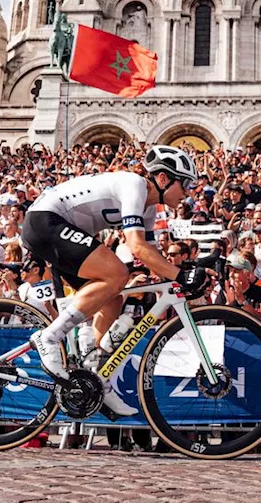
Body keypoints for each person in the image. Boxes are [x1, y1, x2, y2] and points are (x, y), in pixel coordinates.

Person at [22, 146, 206, 417]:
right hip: (46, 221)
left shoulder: (149, 208)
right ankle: (49, 337)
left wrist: (180, 272)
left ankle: (94, 378)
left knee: (113, 298)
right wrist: (180, 275)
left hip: (62, 229)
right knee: (117, 273)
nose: (188, 192)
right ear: (164, 179)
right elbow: (137, 247)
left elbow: (149, 253)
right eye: (185, 183)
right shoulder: (135, 185)